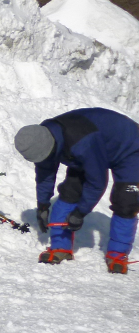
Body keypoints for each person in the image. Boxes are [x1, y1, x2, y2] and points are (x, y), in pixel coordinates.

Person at [15, 108, 139, 274]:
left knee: (126, 201)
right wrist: (43, 204)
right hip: (94, 147)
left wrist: (80, 213)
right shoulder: (41, 138)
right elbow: (45, 174)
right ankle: (61, 247)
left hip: (129, 147)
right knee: (70, 192)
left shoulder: (83, 143)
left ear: (53, 147)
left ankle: (117, 255)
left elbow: (97, 182)